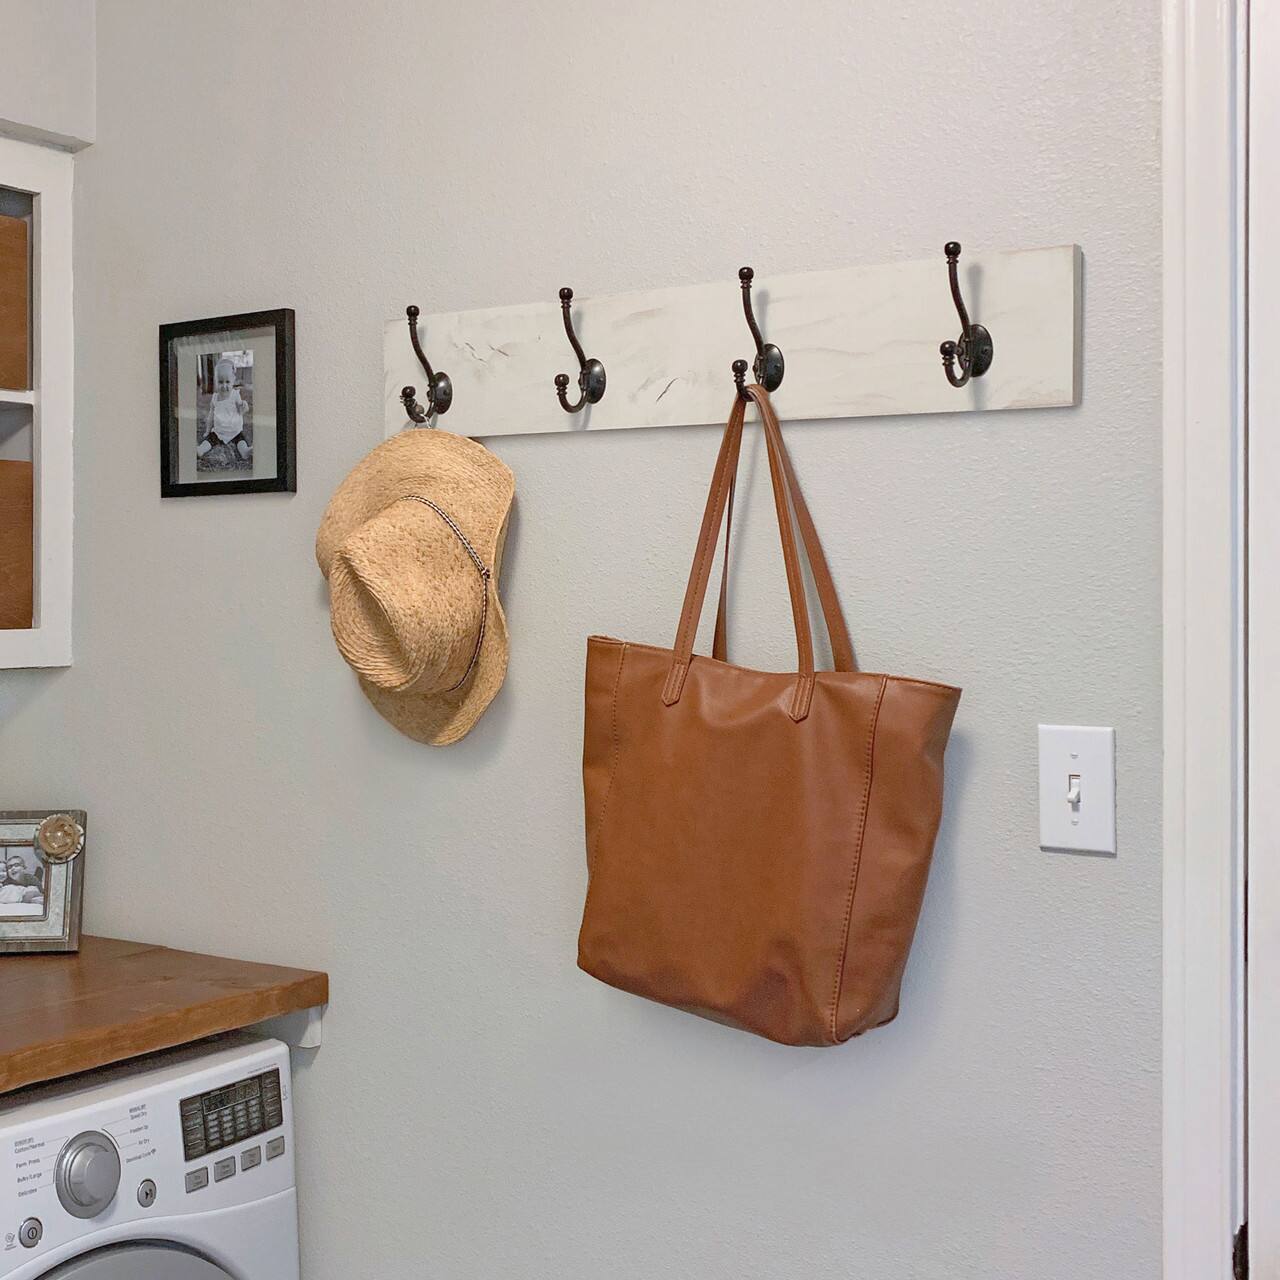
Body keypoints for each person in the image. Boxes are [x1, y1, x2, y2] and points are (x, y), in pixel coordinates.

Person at [197, 358, 252, 465]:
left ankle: (245, 452)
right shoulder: (215, 397)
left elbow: (242, 411)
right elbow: (211, 416)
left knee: (241, 440)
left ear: (233, 381)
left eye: (227, 382)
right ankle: (200, 450)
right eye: (220, 382)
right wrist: (208, 431)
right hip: (219, 431)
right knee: (209, 440)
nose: (224, 386)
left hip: (234, 430)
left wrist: (244, 407)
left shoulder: (235, 395)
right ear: (216, 381)